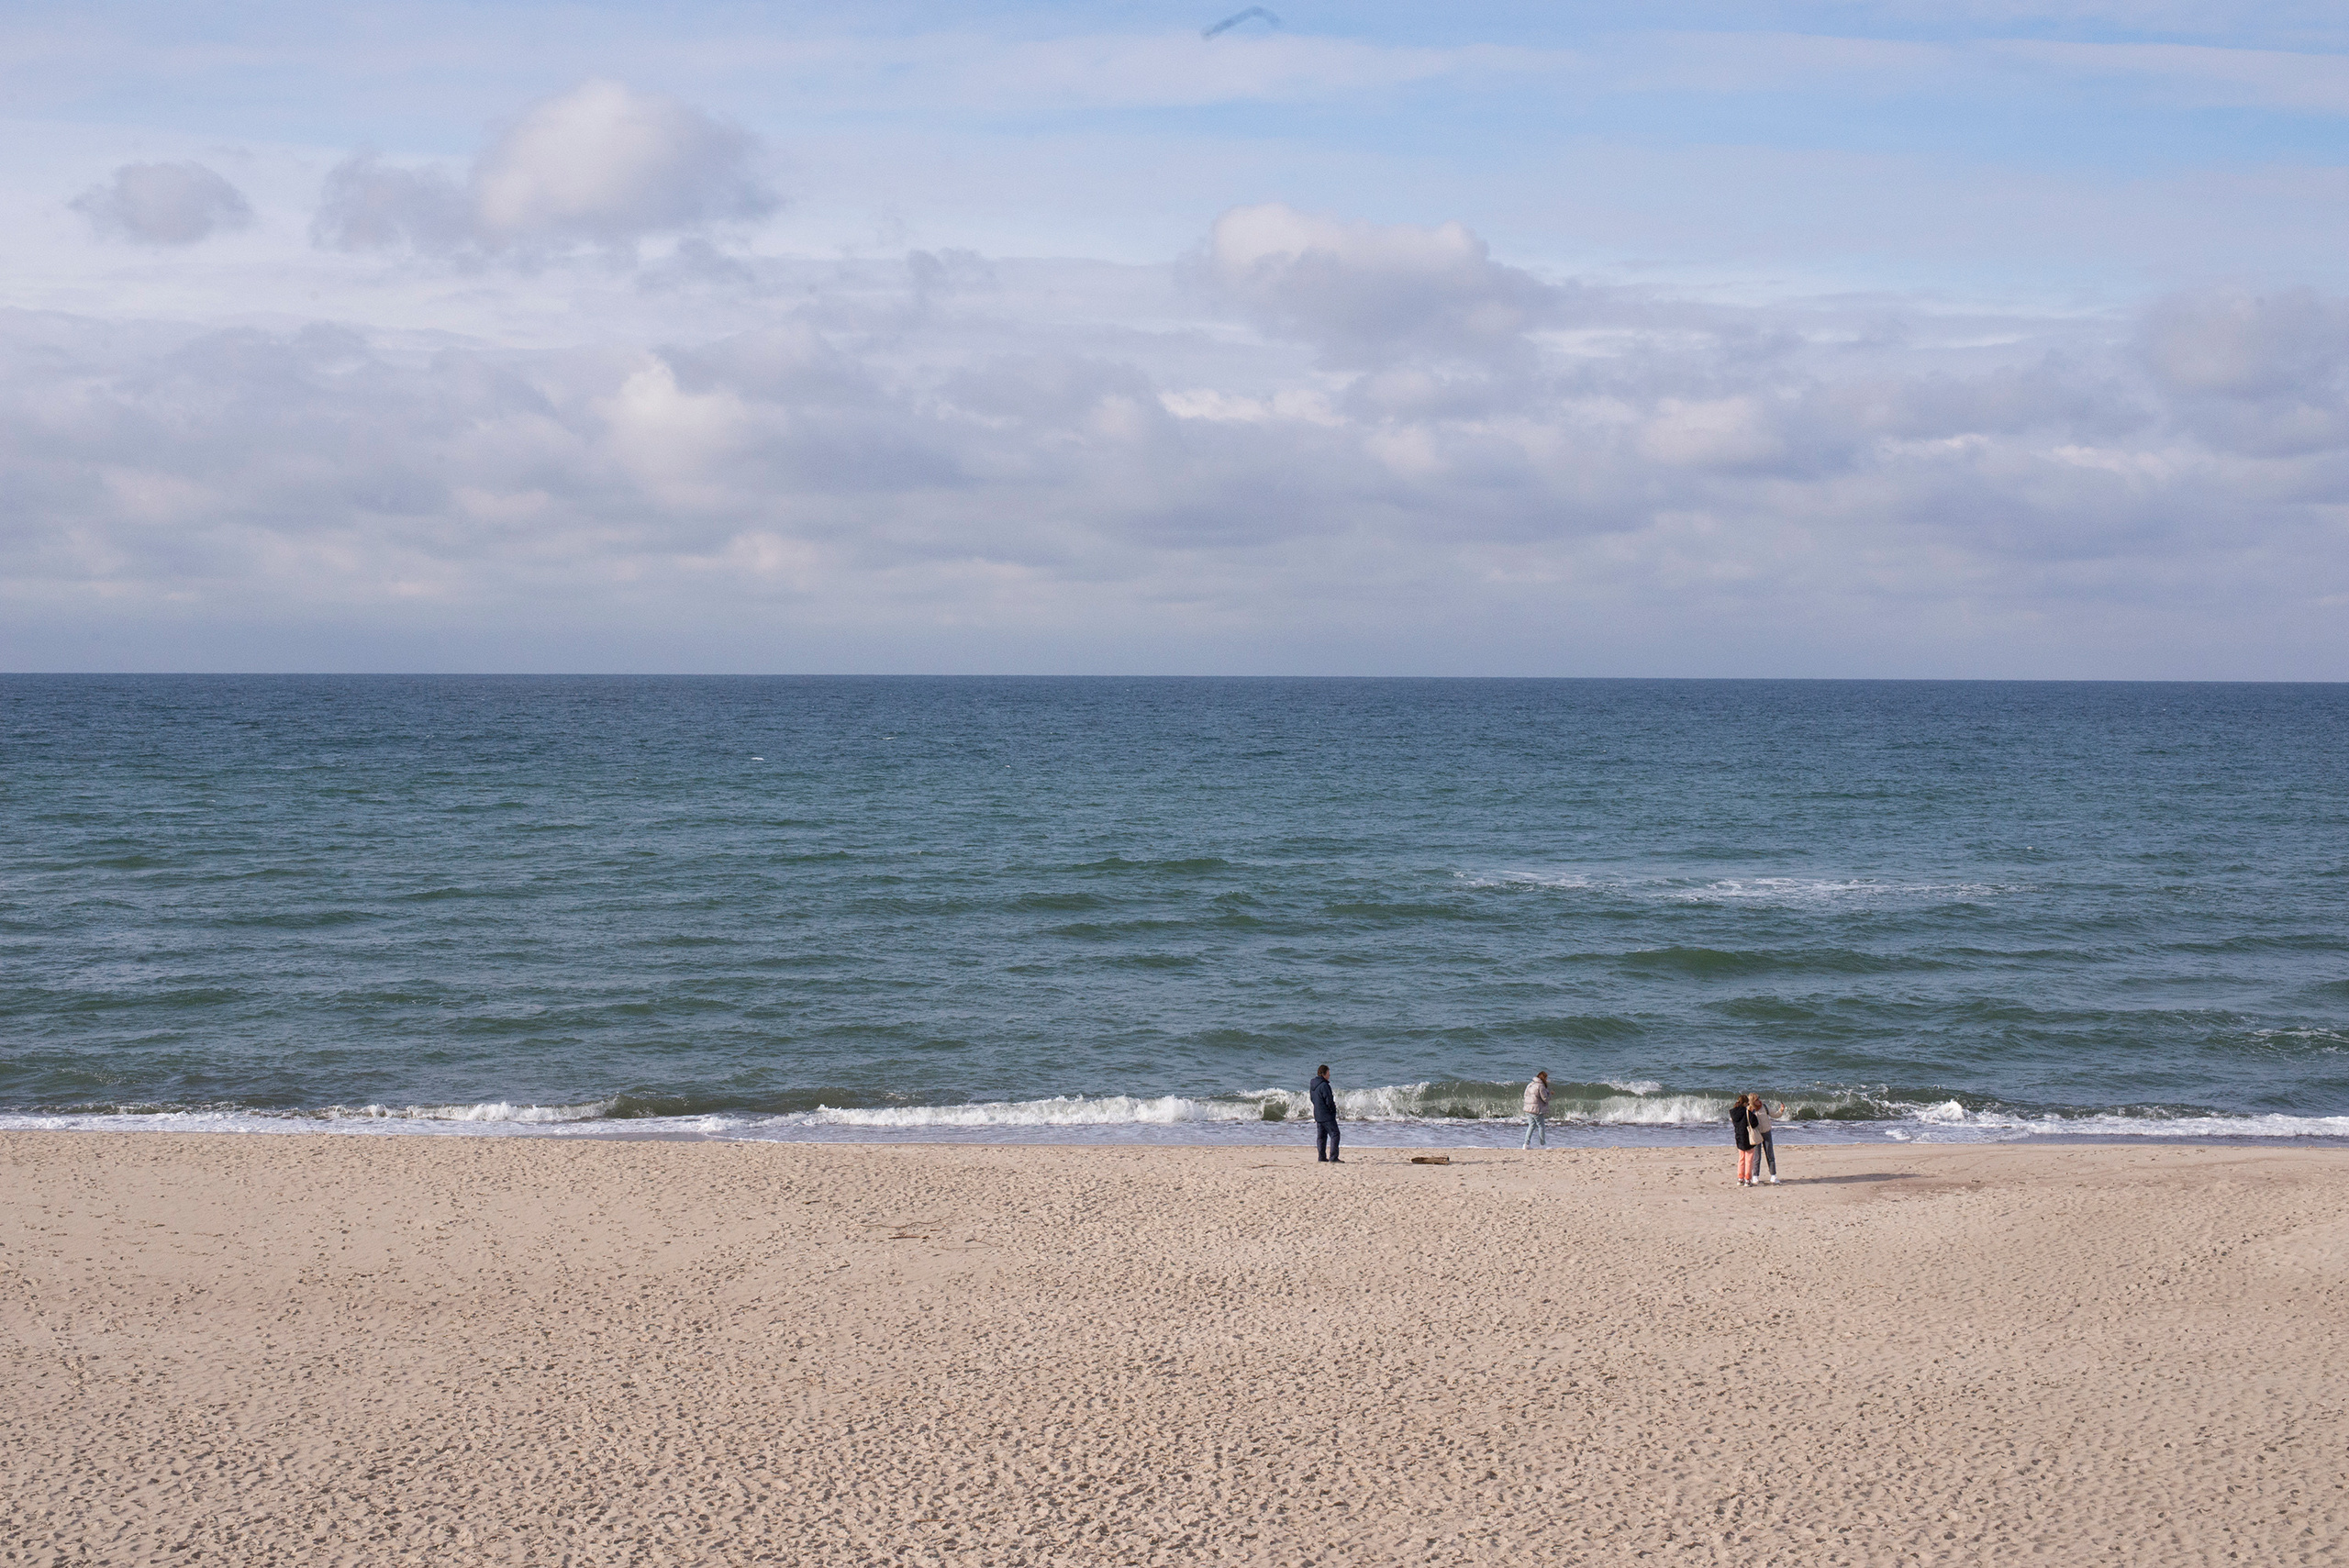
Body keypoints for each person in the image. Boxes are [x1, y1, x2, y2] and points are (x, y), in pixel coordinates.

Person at [1309, 1064, 1341, 1162]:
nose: (1329, 1075)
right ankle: (1333, 1157)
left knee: (1321, 1137)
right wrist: (1333, 1110)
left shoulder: (1313, 1084)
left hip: (1318, 1115)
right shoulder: (1324, 1085)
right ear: (1323, 1074)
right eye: (1328, 1073)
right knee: (1335, 1134)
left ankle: (1321, 1157)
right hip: (1326, 1115)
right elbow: (1329, 1101)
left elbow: (1312, 1099)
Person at [1753, 1097, 1787, 1184]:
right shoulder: (1750, 1110)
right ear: (1753, 1101)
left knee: (1770, 1154)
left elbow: (1775, 1115)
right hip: (1756, 1134)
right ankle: (1755, 1176)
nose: (1759, 1101)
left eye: (1759, 1099)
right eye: (1757, 1100)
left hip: (1766, 1133)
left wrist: (1781, 1110)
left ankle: (1773, 1175)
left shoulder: (1764, 1107)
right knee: (1757, 1157)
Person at [1730, 1092, 1755, 1185]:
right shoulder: (1747, 1112)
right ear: (1745, 1103)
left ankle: (1740, 1178)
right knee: (1749, 1159)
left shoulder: (1734, 1113)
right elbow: (1755, 1123)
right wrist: (1752, 1113)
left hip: (1739, 1137)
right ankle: (1748, 1179)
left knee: (1741, 1159)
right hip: (1747, 1137)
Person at [1521, 1070, 1551, 1150]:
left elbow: (1525, 1095)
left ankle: (1526, 1144)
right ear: (1543, 1078)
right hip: (1536, 1109)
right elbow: (1545, 1098)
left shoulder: (1530, 1084)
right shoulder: (1541, 1086)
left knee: (1531, 1126)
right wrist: (1549, 1094)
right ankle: (1542, 1144)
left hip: (1528, 1108)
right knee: (1541, 1126)